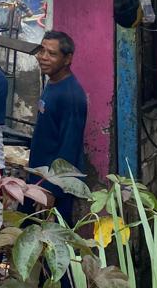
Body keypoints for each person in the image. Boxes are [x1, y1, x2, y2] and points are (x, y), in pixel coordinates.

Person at [27, 30, 88, 225]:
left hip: (52, 187)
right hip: (38, 179)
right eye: (42, 51)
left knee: (54, 245)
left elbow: (69, 148)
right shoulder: (53, 82)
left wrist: (51, 189)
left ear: (67, 58)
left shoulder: (71, 96)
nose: (43, 58)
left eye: (52, 54)